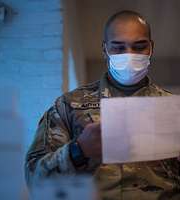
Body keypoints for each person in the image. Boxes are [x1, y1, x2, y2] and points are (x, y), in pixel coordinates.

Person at [25, 10, 180, 199]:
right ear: (104, 49)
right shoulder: (69, 105)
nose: (129, 55)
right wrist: (79, 151)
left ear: (151, 48)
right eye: (118, 48)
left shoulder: (173, 110)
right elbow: (35, 181)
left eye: (139, 47)